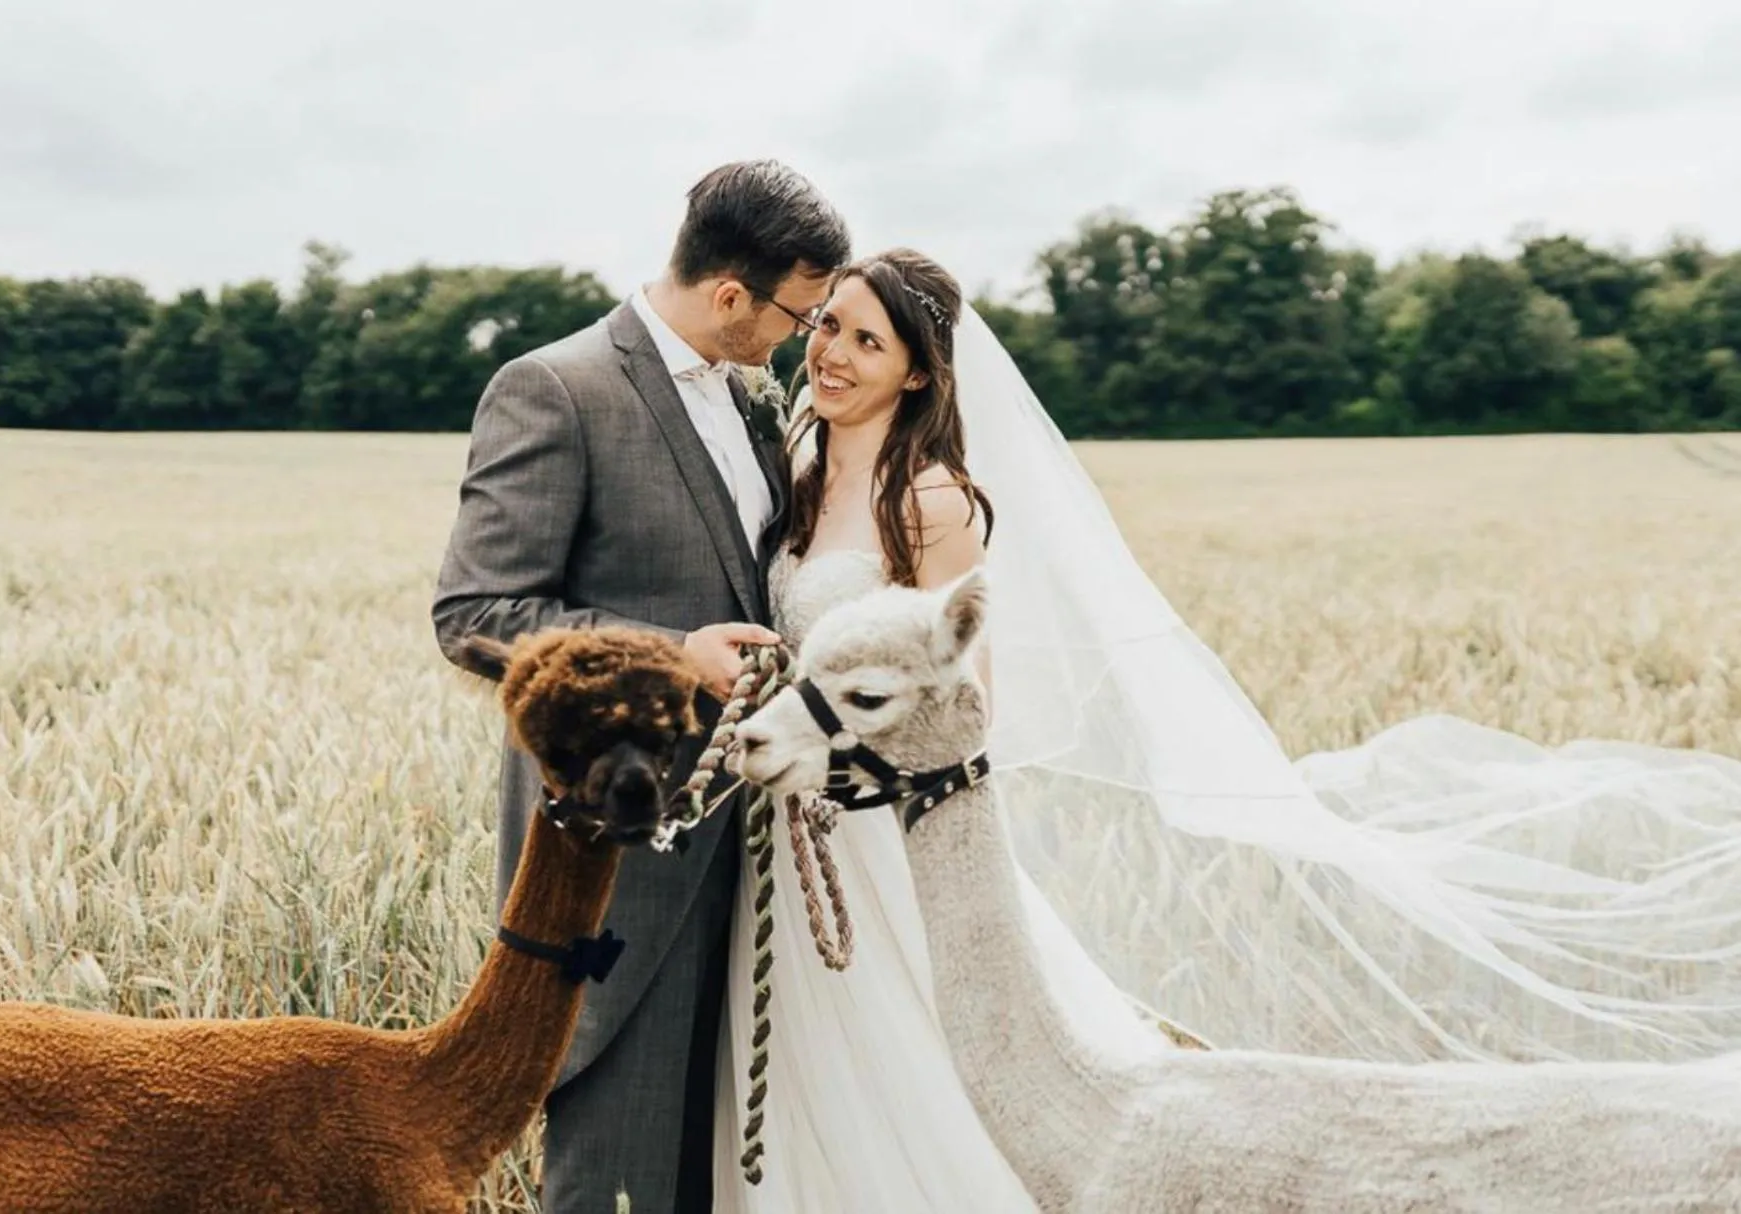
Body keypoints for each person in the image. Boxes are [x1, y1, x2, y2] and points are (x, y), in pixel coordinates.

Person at [710, 246, 1741, 1211]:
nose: (832, 353)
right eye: (828, 324)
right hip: (779, 821)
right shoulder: (792, 467)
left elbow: (961, 703)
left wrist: (851, 763)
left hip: (870, 825)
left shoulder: (932, 504)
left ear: (918, 374)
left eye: (868, 341)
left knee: (916, 1069)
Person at [432, 159, 848, 1214]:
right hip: (620, 846)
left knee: (712, 1160)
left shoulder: (750, 401)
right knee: (613, 1167)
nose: (804, 340)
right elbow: (476, 615)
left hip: (749, 832)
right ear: (731, 295)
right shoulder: (555, 387)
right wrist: (674, 654)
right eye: (799, 315)